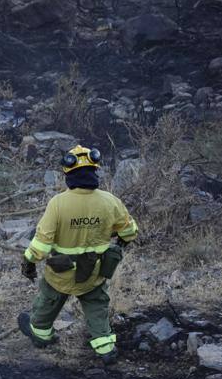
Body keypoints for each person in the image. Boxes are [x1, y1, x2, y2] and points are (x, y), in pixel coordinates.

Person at [17, 145, 138, 365]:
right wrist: (119, 243)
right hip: (93, 274)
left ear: (68, 174)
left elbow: (41, 245)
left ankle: (41, 334)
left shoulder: (58, 204)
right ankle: (105, 347)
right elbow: (129, 231)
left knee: (49, 300)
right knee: (96, 305)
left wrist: (29, 262)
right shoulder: (109, 201)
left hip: (60, 274)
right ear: (94, 171)